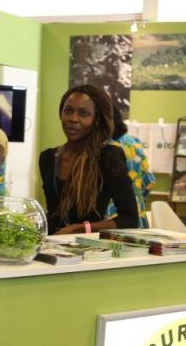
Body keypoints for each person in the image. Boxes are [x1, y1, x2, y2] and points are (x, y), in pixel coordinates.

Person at [38, 85, 140, 234]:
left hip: (88, 249)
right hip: (52, 245)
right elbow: (54, 211)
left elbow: (130, 219)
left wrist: (79, 229)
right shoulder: (48, 158)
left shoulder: (107, 157)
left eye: (83, 114)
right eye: (68, 111)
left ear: (96, 119)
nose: (73, 119)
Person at [106, 106, 155, 228]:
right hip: (138, 216)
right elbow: (150, 182)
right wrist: (136, 198)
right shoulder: (134, 143)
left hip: (109, 218)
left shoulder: (102, 148)